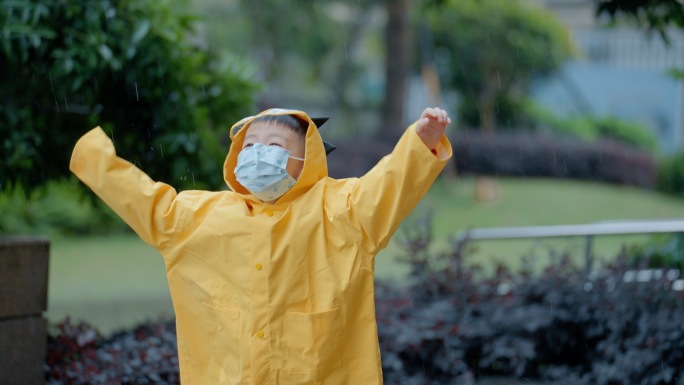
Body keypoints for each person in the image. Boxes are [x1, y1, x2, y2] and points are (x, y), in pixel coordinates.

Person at [69, 107, 452, 385]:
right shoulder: (199, 217)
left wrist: (419, 144)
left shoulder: (342, 211)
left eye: (274, 144)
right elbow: (144, 200)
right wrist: (92, 158)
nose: (257, 152)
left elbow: (387, 186)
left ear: (307, 157)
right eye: (250, 144)